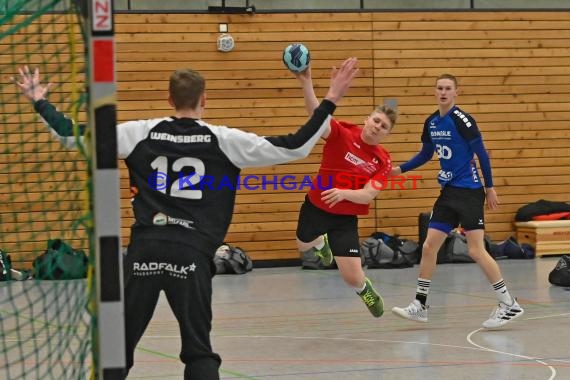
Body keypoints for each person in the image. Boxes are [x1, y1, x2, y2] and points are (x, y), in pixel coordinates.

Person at [13, 59, 359, 379]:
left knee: (117, 350)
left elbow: (72, 135)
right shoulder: (224, 139)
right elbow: (295, 147)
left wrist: (40, 100)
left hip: (144, 251)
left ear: (169, 99)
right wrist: (331, 98)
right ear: (204, 100)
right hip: (192, 253)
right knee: (198, 352)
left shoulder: (138, 132)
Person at [390, 73, 524, 329]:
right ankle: (420, 304)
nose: (443, 92)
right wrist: (400, 169)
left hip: (470, 190)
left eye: (448, 88)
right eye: (439, 88)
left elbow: (481, 153)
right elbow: (426, 154)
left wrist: (490, 187)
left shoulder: (463, 120)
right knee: (429, 247)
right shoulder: (431, 122)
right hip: (448, 192)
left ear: (456, 92)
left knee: (475, 249)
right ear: (435, 91)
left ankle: (508, 303)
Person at [291, 63, 397, 318]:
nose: (377, 127)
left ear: (387, 134)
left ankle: (365, 290)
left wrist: (343, 193)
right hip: (316, 205)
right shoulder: (343, 132)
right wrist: (306, 81)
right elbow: (317, 118)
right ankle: (320, 244)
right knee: (302, 244)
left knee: (351, 277)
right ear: (367, 119)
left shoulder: (383, 160)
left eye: (383, 127)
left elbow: (369, 194)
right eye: (376, 120)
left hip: (344, 217)